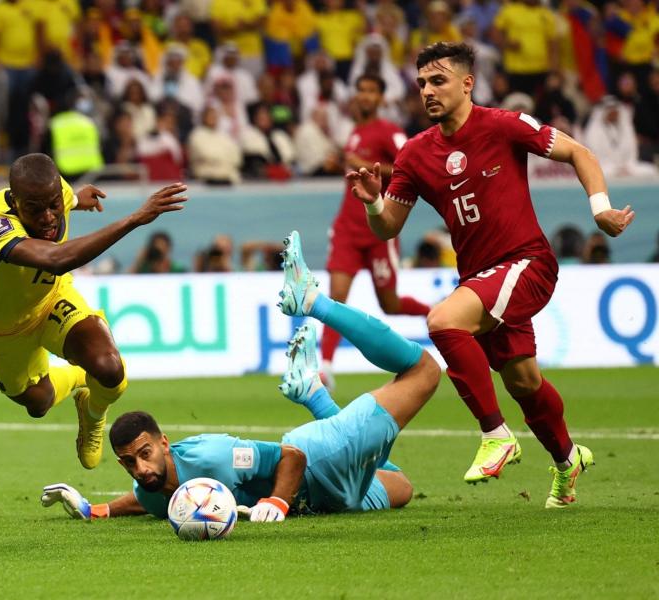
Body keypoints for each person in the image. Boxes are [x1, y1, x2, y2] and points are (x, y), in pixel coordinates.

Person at [346, 42, 635, 507]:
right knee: (524, 382)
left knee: (443, 321)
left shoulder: (504, 125)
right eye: (421, 83)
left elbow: (581, 153)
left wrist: (600, 210)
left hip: (528, 263)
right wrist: (375, 202)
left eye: (438, 81)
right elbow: (389, 228)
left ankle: (496, 435)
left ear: (467, 83)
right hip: (481, 278)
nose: (427, 91)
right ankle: (567, 461)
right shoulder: (416, 154)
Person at [41, 230, 440, 520]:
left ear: (165, 443)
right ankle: (313, 393)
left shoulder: (212, 455)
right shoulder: (150, 491)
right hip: (332, 499)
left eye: (145, 455)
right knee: (401, 487)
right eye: (129, 463)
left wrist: (277, 502)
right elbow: (139, 499)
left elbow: (292, 456)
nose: (141, 468)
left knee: (422, 370)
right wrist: (94, 509)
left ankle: (315, 302)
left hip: (322, 461)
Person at [0, 153, 187, 469]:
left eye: (54, 204)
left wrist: (79, 199)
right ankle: (80, 377)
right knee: (37, 402)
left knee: (109, 368)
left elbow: (65, 200)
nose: (49, 217)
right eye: (35, 210)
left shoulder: (57, 191)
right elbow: (57, 259)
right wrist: (134, 219)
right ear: (15, 201)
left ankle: (93, 415)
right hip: (4, 327)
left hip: (52, 298)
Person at [321, 74, 430, 390]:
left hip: (379, 229)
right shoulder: (354, 133)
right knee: (335, 300)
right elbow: (357, 173)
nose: (365, 96)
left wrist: (366, 163)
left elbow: (408, 169)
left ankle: (438, 314)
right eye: (361, 90)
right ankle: (326, 368)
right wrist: (339, 166)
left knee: (390, 304)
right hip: (347, 230)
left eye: (371, 91)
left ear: (381, 98)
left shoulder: (390, 132)